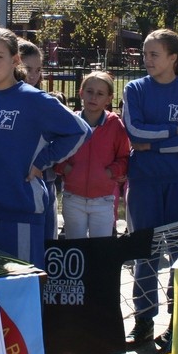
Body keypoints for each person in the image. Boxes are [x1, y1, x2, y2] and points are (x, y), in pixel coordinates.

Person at [0, 27, 91, 269]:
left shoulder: (34, 100)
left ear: (15, 60)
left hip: (19, 208)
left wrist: (42, 161)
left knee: (20, 283)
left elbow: (80, 131)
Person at [122, 29, 178, 351]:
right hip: (144, 183)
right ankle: (144, 319)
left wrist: (152, 145)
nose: (147, 59)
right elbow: (134, 131)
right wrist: (171, 131)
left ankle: (177, 321)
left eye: (154, 54)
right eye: (145, 53)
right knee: (146, 253)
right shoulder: (135, 89)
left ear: (173, 57)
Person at [56, 71, 129, 239]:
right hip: (73, 198)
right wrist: (67, 170)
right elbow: (57, 153)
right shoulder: (70, 122)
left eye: (100, 94)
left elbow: (124, 158)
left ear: (109, 99)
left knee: (100, 249)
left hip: (103, 200)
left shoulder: (115, 125)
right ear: (81, 93)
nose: (93, 97)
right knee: (76, 247)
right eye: (89, 91)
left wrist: (108, 173)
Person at [19, 39, 60, 240]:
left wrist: (42, 161)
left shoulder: (45, 101)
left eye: (38, 70)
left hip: (44, 182)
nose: (33, 75)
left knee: (47, 241)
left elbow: (78, 132)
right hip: (15, 185)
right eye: (28, 69)